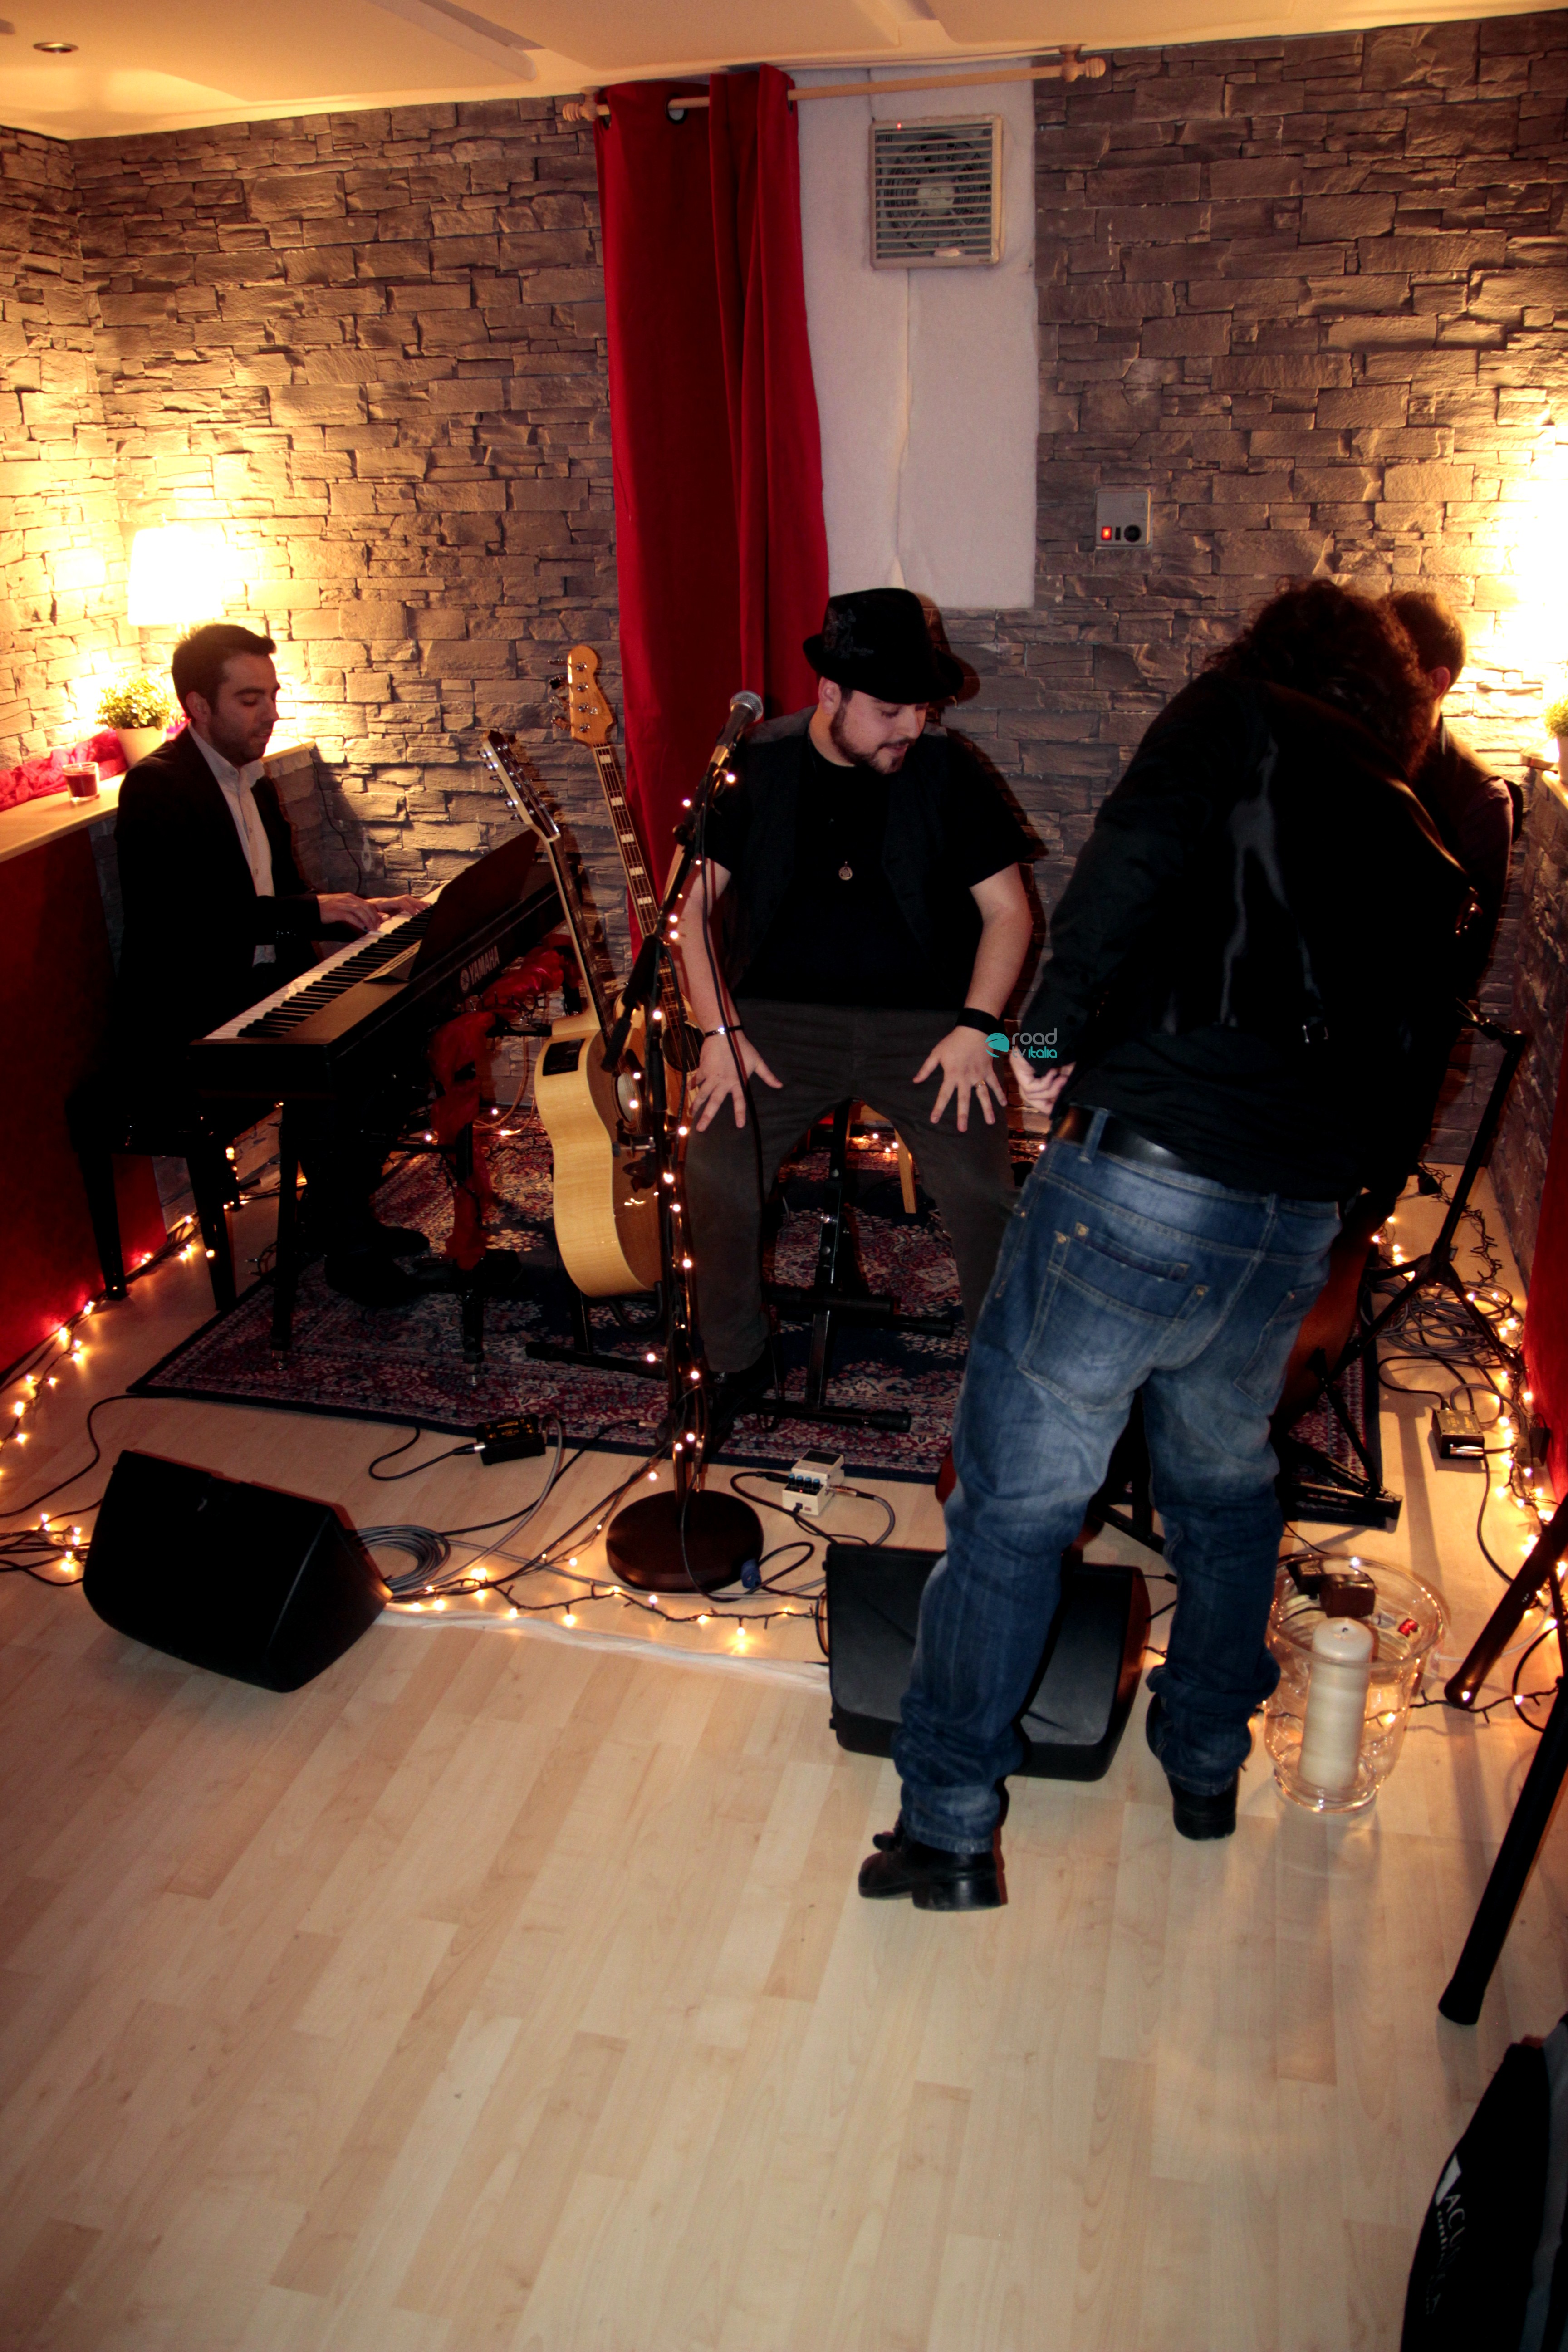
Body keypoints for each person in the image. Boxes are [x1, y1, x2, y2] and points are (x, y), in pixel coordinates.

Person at [860, 583, 1476, 1909]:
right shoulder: (1421, 835)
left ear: (1271, 650)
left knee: (1016, 1511)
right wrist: (1342, 1211)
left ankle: (950, 1827)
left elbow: (1120, 878)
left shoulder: (1232, 714)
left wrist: (1038, 1042)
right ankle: (1202, 1762)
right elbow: (1410, 1065)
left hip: (1147, 1179)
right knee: (1224, 1488)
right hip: (1290, 1219)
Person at [676, 587, 1035, 1451]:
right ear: (830, 692)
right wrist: (717, 1033)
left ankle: (1007, 1380)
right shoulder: (756, 764)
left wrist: (978, 1027)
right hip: (773, 1023)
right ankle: (735, 1358)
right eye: (889, 709)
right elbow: (686, 913)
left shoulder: (947, 770)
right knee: (713, 1173)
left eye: (922, 708)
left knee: (985, 1191)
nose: (910, 727)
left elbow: (1010, 914)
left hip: (931, 1027)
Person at [114, 623, 430, 1306]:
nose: (271, 714)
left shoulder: (252, 781)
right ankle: (349, 1247)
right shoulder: (156, 788)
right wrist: (316, 910)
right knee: (328, 1067)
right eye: (250, 699)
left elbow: (282, 899)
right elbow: (192, 918)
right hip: (190, 1011)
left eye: (273, 696)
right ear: (198, 706)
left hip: (259, 986)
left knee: (401, 1045)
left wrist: (360, 910)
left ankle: (335, 1211)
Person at [1386, 588, 1515, 995]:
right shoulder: (1348, 750)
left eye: (1385, 669)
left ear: (1435, 682)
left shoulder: (1482, 799)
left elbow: (1460, 968)